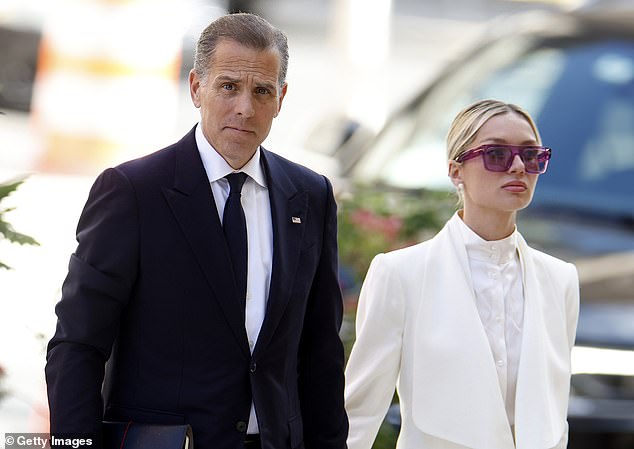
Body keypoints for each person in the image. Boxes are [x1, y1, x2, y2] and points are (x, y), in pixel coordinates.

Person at [46, 13, 348, 449]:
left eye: (262, 91)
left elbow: (321, 352)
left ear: (280, 98)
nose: (245, 107)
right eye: (229, 86)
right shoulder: (134, 192)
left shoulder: (310, 195)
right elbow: (77, 343)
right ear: (196, 88)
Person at [344, 99, 579, 449]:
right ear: (456, 171)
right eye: (496, 154)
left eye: (531, 155)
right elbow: (357, 417)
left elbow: (553, 416)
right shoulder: (400, 275)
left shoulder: (560, 280)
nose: (517, 166)